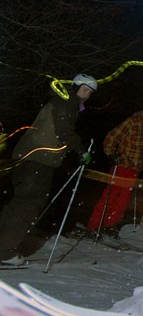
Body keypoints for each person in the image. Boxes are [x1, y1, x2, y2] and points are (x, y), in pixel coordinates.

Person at [0, 73, 96, 268]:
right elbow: (64, 132)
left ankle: (3, 245)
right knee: (29, 202)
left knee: (19, 203)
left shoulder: (63, 102)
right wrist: (81, 150)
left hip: (31, 158)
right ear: (75, 87)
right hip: (38, 160)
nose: (86, 95)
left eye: (90, 93)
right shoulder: (67, 103)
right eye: (84, 90)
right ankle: (4, 251)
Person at [85, 104, 143, 242]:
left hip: (134, 168)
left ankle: (110, 225)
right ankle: (93, 227)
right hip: (122, 165)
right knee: (109, 196)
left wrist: (142, 162)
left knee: (123, 200)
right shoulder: (134, 120)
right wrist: (112, 153)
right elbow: (111, 136)